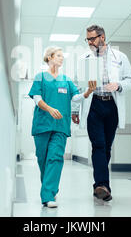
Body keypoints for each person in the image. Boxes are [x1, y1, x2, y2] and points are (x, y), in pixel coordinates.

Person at [72, 25, 131, 201]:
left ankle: (99, 185)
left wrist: (119, 85)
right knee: (98, 145)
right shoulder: (84, 59)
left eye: (92, 39)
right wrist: (75, 109)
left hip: (112, 105)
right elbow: (77, 86)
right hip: (93, 105)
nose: (90, 42)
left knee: (106, 147)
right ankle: (103, 185)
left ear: (103, 37)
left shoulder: (120, 57)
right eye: (88, 39)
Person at [28, 46, 96, 208]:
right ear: (49, 57)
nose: (61, 58)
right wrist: (50, 109)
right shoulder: (40, 77)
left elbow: (76, 97)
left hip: (61, 125)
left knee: (55, 158)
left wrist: (88, 92)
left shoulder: (66, 79)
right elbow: (37, 99)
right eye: (58, 55)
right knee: (42, 159)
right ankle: (50, 187)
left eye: (62, 56)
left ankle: (47, 195)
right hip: (42, 125)